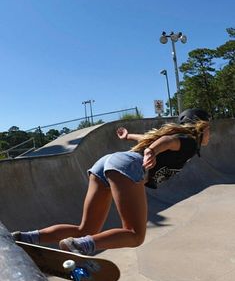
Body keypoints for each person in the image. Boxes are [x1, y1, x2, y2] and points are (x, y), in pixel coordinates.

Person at [12, 108, 211, 255]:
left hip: (107, 162)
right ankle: (80, 246)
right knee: (134, 235)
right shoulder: (190, 142)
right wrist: (152, 151)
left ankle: (24, 238)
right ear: (202, 127)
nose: (210, 134)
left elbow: (148, 138)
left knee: (86, 229)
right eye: (209, 129)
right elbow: (167, 142)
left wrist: (128, 136)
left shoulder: (181, 139)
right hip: (127, 165)